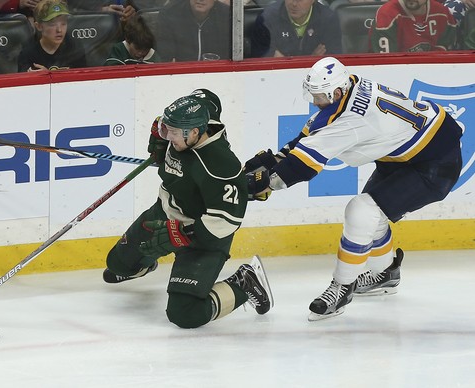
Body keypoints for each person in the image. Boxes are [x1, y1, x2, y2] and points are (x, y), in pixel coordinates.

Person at [245, 57, 463, 321]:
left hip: (435, 164)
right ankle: (385, 274)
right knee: (375, 213)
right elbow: (311, 135)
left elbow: (302, 167)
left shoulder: (353, 121)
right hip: (407, 152)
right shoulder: (350, 87)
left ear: (336, 92)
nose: (315, 101)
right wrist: (276, 158)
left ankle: (342, 287)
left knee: (361, 211)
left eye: (318, 96)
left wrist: (264, 184)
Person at [103, 91, 274, 329]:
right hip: (163, 215)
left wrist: (183, 234)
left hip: (203, 239)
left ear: (195, 132)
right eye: (167, 130)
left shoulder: (220, 164)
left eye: (172, 133)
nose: (167, 137)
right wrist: (164, 133)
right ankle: (145, 262)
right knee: (117, 264)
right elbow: (207, 96)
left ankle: (243, 282)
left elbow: (227, 220)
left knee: (185, 314)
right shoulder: (200, 115)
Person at [250, 0, 342, 58]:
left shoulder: (328, 19)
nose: (293, 4)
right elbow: (261, 59)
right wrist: (311, 59)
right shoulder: (266, 19)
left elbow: (333, 60)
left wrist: (283, 59)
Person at [17, 0, 87, 71]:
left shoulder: (74, 46)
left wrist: (49, 76)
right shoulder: (28, 50)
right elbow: (21, 80)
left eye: (63, 24)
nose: (59, 30)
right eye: (52, 24)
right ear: (39, 26)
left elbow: (84, 78)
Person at [155, 0, 231, 62]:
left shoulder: (228, 15)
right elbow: (165, 56)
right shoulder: (169, 13)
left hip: (216, 74)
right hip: (180, 74)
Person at [370, 0, 458, 52]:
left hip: (434, 72)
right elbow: (386, 63)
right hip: (398, 73)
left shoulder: (442, 13)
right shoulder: (387, 14)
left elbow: (447, 52)